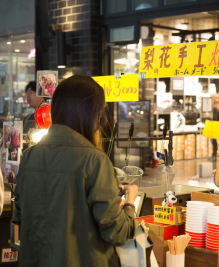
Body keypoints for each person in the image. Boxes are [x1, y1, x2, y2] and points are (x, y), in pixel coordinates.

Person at [12, 75, 138, 266]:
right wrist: (130, 203)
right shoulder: (94, 160)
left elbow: (20, 217)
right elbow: (117, 232)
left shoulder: (29, 157)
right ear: (93, 113)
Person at [211, 97, 219, 161]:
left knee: (214, 141)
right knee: (214, 141)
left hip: (215, 126)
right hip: (217, 126)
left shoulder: (216, 109)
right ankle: (214, 155)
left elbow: (215, 118)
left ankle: (214, 155)